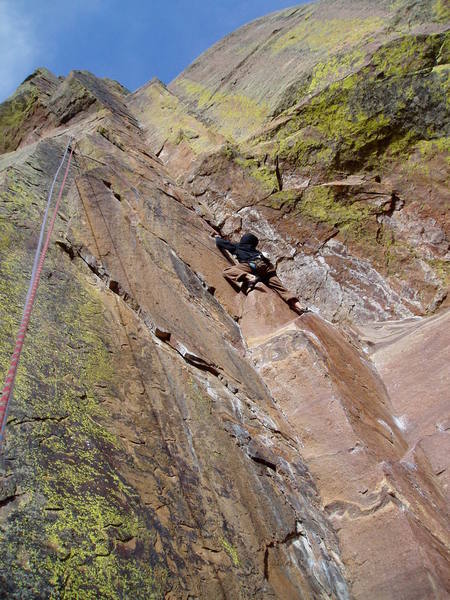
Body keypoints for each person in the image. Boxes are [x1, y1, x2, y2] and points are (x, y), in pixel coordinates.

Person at [215, 233, 309, 314]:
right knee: (281, 289)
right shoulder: (256, 251)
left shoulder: (238, 246)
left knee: (227, 271)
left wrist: (217, 237)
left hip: (252, 265)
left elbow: (220, 242)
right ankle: (300, 307)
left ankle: (249, 277)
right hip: (267, 268)